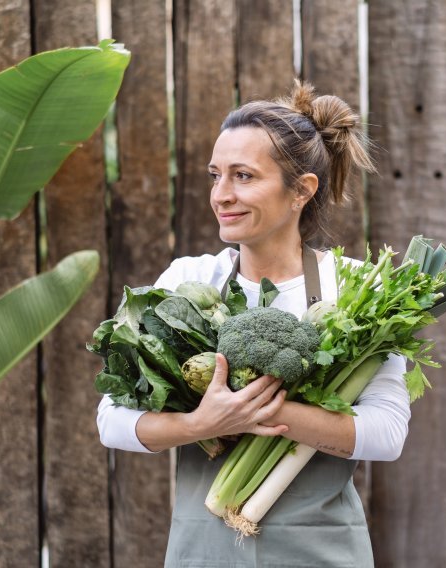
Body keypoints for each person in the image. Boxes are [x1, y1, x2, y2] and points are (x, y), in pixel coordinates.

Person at [97, 81, 411, 567]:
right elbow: (112, 419)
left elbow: (387, 434)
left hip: (321, 551)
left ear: (301, 190)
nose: (221, 195)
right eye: (215, 175)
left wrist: (254, 412)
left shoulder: (357, 289)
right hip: (203, 549)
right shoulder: (190, 280)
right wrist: (201, 423)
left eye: (243, 176)